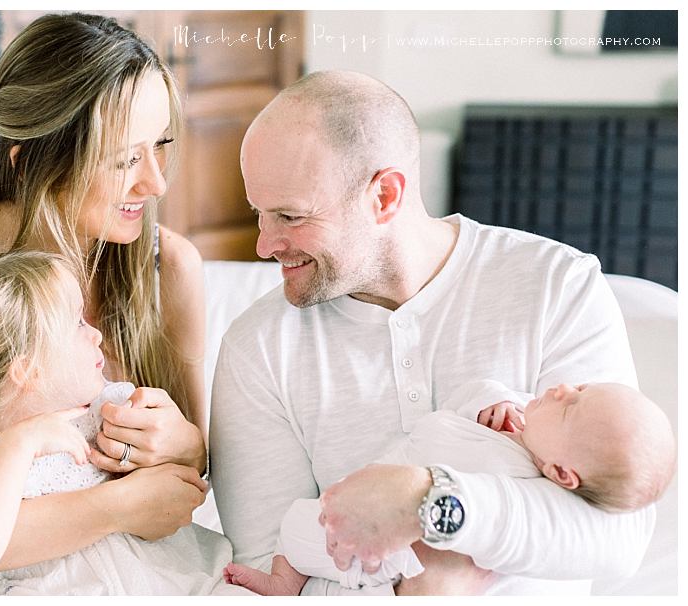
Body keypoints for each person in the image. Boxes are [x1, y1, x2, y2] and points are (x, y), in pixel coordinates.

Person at [209, 70, 656, 596]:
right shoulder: (257, 347)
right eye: (260, 214)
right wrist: (428, 590)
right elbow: (267, 572)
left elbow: (618, 534)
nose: (264, 245)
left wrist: (427, 502)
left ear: (385, 196)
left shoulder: (556, 284)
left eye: (290, 215)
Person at [0, 13, 209, 582]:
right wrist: (112, 508)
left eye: (160, 146)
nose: (156, 184)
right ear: (31, 162)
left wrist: (186, 446)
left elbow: (189, 485)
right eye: (124, 159)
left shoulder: (168, 267)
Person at [0, 252, 246, 595]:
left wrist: (180, 445)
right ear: (28, 370)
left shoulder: (109, 412)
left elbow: (178, 494)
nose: (96, 334)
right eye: (77, 323)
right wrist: (18, 446)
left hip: (167, 583)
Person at [222, 380, 676, 595]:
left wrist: (421, 510)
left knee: (307, 526)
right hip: (355, 509)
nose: (560, 390)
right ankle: (284, 581)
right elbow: (474, 395)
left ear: (562, 475)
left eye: (570, 407)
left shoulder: (527, 481)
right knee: (299, 518)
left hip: (395, 555)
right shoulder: (516, 415)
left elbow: (622, 537)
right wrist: (487, 405)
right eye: (578, 387)